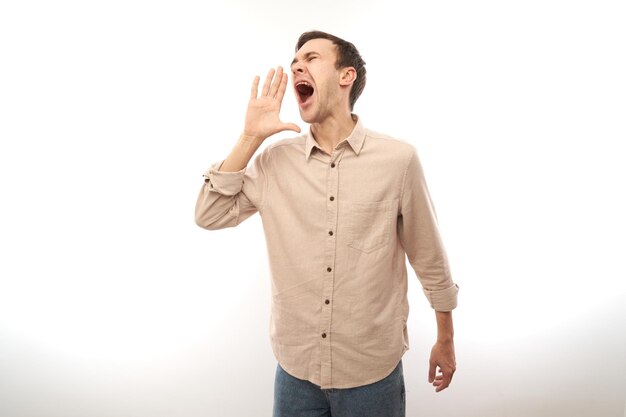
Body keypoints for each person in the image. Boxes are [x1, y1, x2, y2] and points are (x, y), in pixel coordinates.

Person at [195, 30, 459, 417]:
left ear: (345, 76)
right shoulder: (274, 162)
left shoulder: (398, 161)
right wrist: (250, 137)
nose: (297, 65)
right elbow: (209, 213)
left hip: (372, 374)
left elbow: (429, 255)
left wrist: (446, 338)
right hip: (296, 374)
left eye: (312, 58)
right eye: (295, 61)